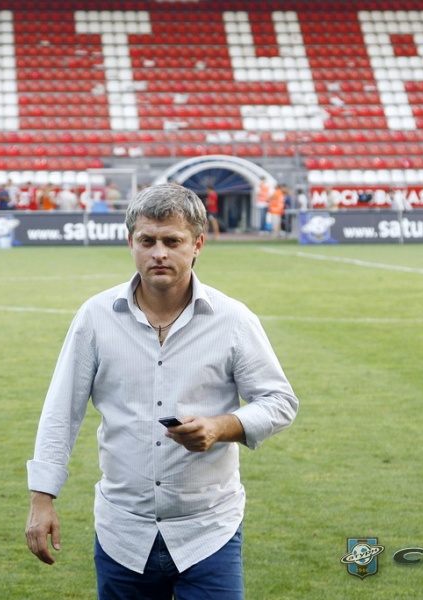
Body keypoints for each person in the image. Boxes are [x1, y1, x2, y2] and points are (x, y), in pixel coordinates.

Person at [25, 183, 298, 599]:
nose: (159, 253)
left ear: (197, 245)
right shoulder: (96, 317)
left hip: (209, 531)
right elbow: (61, 411)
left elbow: (280, 402)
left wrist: (221, 426)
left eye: (172, 241)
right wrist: (41, 498)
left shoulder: (233, 319)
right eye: (147, 240)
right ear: (130, 242)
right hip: (122, 532)